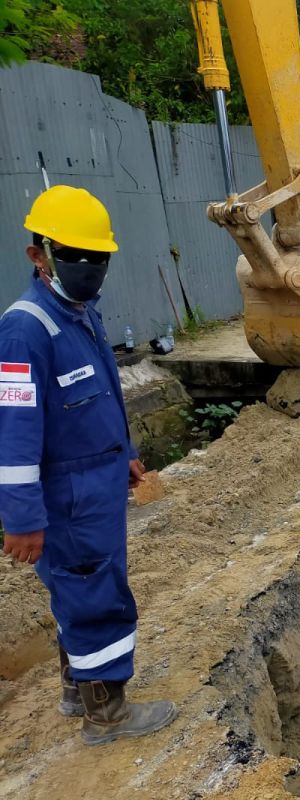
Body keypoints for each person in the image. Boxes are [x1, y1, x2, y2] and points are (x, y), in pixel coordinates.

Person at [0, 185, 177, 744]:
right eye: (74, 255)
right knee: (94, 593)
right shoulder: (26, 329)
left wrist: (122, 454)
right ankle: (108, 715)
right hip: (67, 497)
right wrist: (23, 518)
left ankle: (79, 690)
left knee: (83, 590)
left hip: (95, 484)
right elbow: (15, 433)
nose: (88, 267)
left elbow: (99, 395)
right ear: (38, 255)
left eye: (96, 257)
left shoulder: (81, 314)